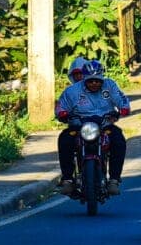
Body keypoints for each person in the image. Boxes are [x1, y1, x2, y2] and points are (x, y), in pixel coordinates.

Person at [55, 60, 131, 195]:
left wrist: (123, 109)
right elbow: (61, 105)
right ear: (84, 79)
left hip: (104, 125)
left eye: (97, 81)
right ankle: (67, 179)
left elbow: (121, 99)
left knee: (118, 140)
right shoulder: (72, 91)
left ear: (102, 78)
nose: (94, 84)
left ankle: (114, 179)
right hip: (79, 126)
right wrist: (62, 114)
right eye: (90, 81)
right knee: (65, 139)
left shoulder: (110, 85)